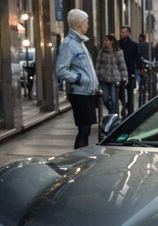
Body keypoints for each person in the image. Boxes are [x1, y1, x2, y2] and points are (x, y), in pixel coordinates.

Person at [55, 9, 99, 149]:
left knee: (86, 130)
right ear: (79, 24)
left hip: (87, 93)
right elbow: (61, 70)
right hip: (80, 93)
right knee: (84, 130)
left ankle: (82, 159)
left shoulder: (80, 43)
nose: (88, 25)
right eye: (86, 22)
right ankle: (80, 161)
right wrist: (80, 79)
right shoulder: (68, 44)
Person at [96, 34, 128, 115]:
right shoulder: (102, 52)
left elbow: (122, 66)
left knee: (114, 99)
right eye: (104, 40)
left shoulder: (118, 52)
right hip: (104, 78)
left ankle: (113, 115)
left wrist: (124, 78)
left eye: (106, 40)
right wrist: (96, 77)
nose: (104, 42)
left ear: (112, 42)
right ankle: (111, 111)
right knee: (105, 99)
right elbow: (98, 65)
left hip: (115, 79)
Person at [118, 26, 144, 117]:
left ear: (128, 33)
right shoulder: (118, 44)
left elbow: (138, 57)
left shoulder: (133, 45)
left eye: (123, 32)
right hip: (119, 71)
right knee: (119, 92)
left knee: (129, 92)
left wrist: (141, 69)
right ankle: (125, 104)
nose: (121, 34)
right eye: (121, 32)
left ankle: (130, 110)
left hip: (130, 71)